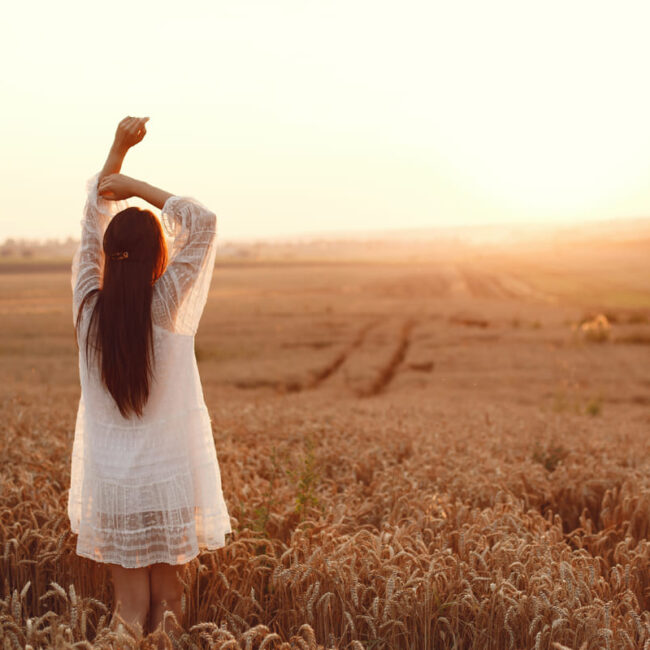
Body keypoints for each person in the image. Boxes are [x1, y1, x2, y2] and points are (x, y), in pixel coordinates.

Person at [68, 116, 232, 639]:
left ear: (109, 261)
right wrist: (136, 185)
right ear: (158, 254)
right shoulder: (164, 305)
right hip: (168, 477)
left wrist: (116, 152)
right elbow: (202, 221)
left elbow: (91, 223)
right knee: (169, 602)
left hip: (113, 482)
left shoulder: (87, 309)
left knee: (128, 608)